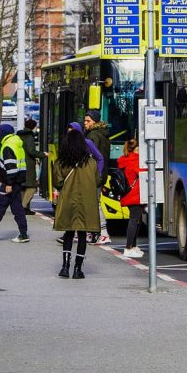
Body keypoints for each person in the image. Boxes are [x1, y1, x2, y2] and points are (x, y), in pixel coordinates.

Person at [53, 128, 101, 278]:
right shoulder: (91, 162)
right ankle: (78, 269)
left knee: (68, 233)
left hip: (68, 201)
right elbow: (97, 181)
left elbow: (58, 182)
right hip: (86, 203)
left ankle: (65, 267)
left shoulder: (61, 162)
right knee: (82, 235)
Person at [55, 122, 104, 245]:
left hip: (79, 187)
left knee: (74, 223)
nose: (69, 133)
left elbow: (100, 158)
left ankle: (67, 263)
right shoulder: (87, 160)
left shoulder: (86, 145)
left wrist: (98, 172)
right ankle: (78, 262)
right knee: (80, 221)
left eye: (71, 130)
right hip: (84, 185)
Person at [84, 109, 111, 244]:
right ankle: (90, 233)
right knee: (93, 202)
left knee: (94, 203)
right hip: (101, 173)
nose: (85, 123)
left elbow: (89, 156)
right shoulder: (103, 134)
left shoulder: (93, 136)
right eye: (85, 120)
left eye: (88, 121)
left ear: (94, 122)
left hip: (93, 174)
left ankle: (103, 233)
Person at [118, 139, 145, 258]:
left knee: (136, 220)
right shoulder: (135, 160)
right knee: (134, 220)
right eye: (139, 149)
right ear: (135, 149)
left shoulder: (124, 160)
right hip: (135, 195)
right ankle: (129, 247)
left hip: (128, 194)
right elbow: (143, 172)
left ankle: (133, 246)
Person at [18, 118, 47, 215]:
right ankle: (23, 206)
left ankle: (26, 208)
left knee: (23, 187)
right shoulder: (29, 136)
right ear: (33, 127)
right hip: (28, 164)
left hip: (20, 164)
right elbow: (31, 151)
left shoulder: (20, 135)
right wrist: (43, 154)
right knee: (32, 186)